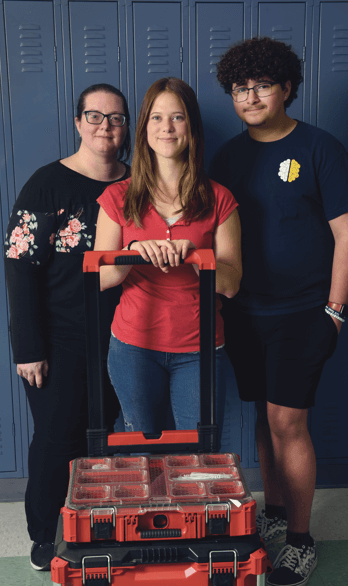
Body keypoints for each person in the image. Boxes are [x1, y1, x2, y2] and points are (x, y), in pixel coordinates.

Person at [209, 37, 348, 586]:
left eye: (261, 86)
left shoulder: (320, 148)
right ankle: (273, 512)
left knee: (287, 423)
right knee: (261, 418)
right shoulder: (227, 157)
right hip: (246, 311)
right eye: (239, 88)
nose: (249, 97)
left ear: (286, 88)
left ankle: (300, 542)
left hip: (305, 311)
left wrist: (335, 310)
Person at [4, 84, 131, 571]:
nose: (105, 126)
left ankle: (96, 526)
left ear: (126, 129)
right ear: (78, 122)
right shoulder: (47, 184)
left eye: (116, 118)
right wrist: (28, 347)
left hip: (124, 337)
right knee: (59, 437)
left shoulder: (136, 183)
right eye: (95, 116)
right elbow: (19, 267)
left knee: (106, 439)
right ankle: (44, 534)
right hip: (59, 337)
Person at [95, 77, 241, 441]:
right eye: (157, 118)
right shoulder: (117, 197)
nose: (167, 128)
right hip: (134, 347)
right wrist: (131, 255)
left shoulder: (219, 199)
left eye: (177, 118)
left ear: (191, 127)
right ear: (144, 128)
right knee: (141, 452)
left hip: (199, 348)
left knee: (201, 455)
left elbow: (232, 285)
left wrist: (194, 256)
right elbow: (101, 277)